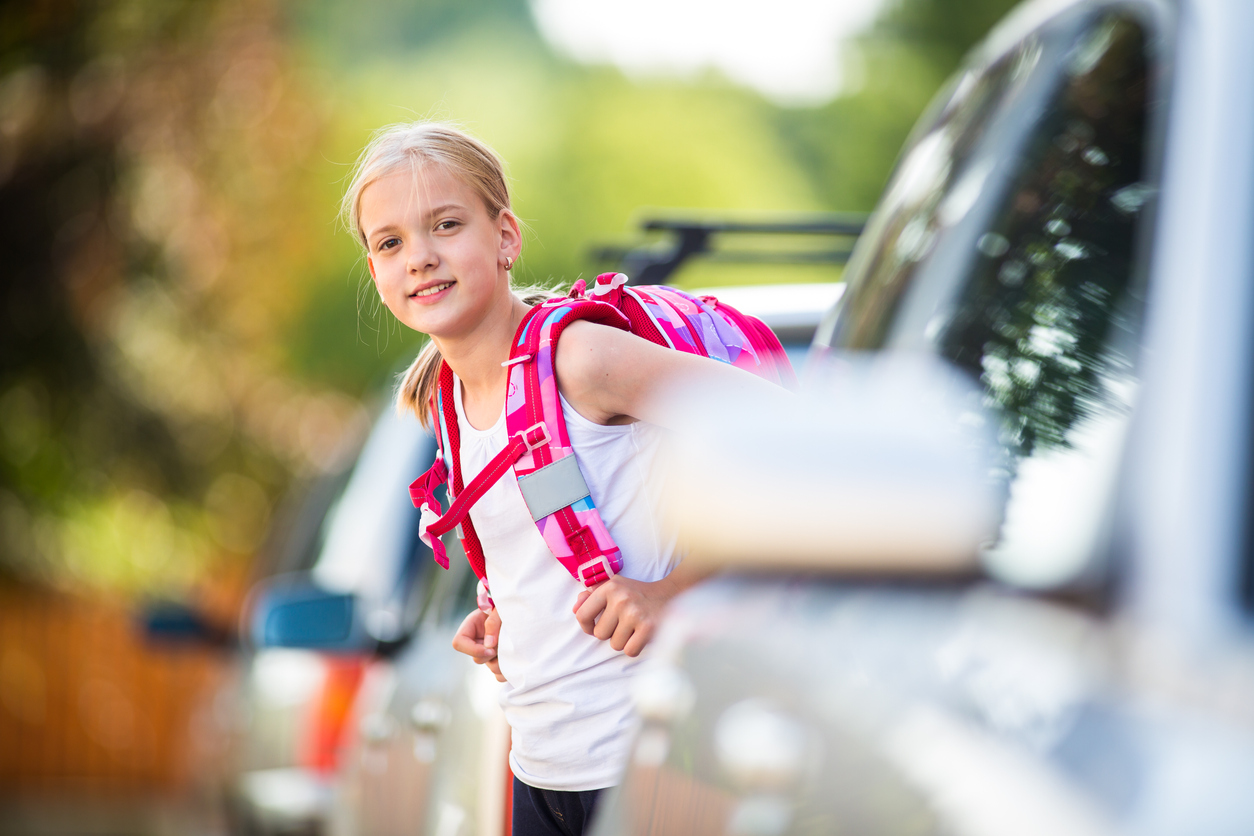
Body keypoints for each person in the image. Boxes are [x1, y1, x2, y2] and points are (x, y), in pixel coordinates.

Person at [341, 121, 778, 836]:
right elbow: (549, 534)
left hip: (650, 762)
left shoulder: (582, 360)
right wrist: (504, 616)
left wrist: (670, 590)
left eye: (445, 225)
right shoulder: (446, 402)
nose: (419, 257)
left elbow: (784, 435)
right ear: (377, 274)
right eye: (390, 242)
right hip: (541, 768)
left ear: (505, 237)